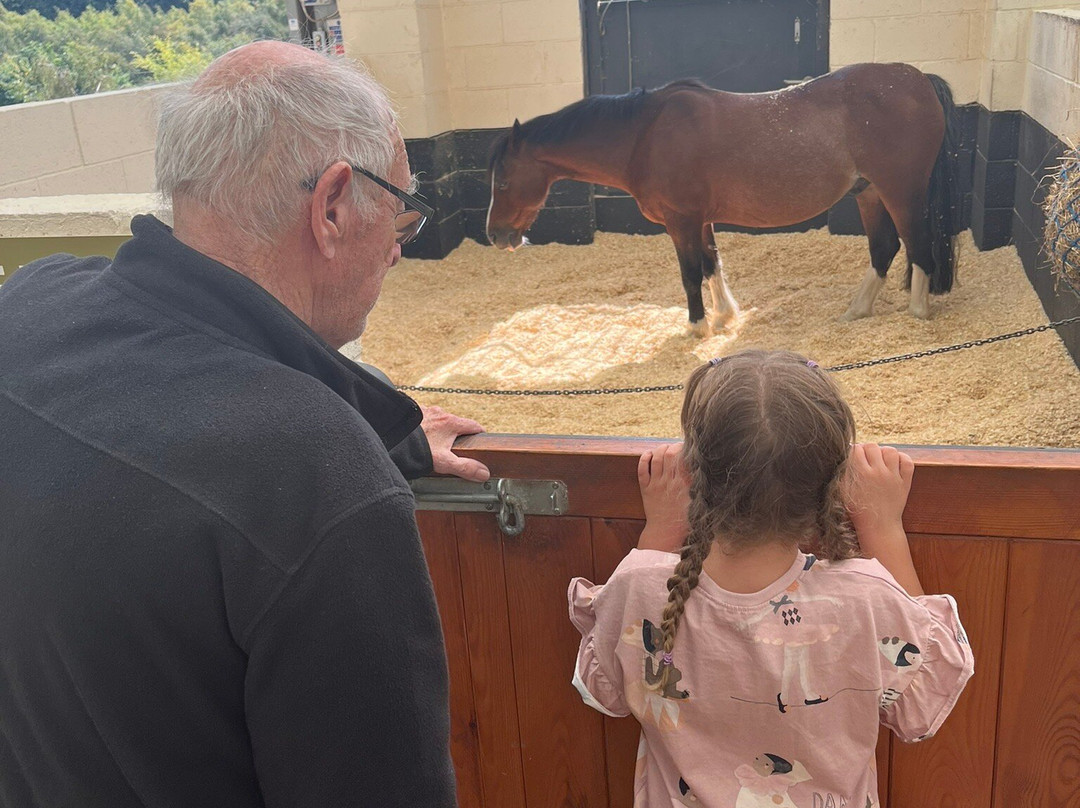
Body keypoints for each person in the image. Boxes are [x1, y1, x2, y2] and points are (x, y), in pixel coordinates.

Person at [0, 41, 488, 807]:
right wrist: (347, 459)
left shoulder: (30, 302)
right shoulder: (323, 483)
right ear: (332, 207)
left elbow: (155, 453)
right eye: (401, 218)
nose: (396, 253)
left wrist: (380, 435)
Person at [568, 350, 973, 808]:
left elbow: (604, 692)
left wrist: (661, 527)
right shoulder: (863, 596)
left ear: (694, 476)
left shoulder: (641, 585)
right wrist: (882, 528)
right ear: (832, 487)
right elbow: (924, 698)